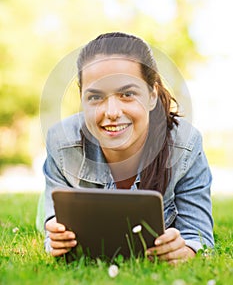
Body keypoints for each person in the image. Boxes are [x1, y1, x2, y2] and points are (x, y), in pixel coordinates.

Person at [41, 32, 214, 265]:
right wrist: (55, 238)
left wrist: (183, 251)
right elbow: (54, 228)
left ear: (152, 96)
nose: (111, 112)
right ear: (82, 98)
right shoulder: (61, 142)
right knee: (40, 214)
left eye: (127, 94)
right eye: (95, 97)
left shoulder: (185, 145)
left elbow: (198, 237)